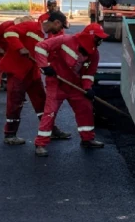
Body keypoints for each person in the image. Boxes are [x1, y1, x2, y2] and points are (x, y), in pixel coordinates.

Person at [33, 23, 108, 157]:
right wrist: (44, 66)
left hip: (75, 85)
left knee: (85, 108)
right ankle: (40, 143)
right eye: (98, 38)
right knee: (50, 112)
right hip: (57, 83)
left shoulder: (94, 54)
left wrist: (87, 88)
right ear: (89, 37)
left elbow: (88, 74)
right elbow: (40, 47)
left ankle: (87, 139)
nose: (100, 41)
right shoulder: (65, 40)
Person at [0, 12, 71, 145]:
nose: (60, 30)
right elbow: (9, 32)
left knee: (42, 102)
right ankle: (10, 134)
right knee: (15, 103)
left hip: (33, 73)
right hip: (18, 72)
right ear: (57, 23)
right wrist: (20, 48)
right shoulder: (30, 26)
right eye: (61, 27)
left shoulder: (48, 36)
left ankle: (51, 130)